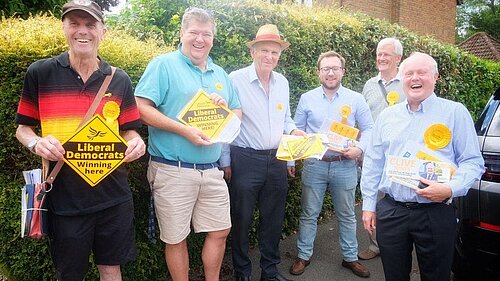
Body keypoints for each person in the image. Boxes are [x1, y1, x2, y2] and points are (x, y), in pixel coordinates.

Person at [15, 1, 146, 280]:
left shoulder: (119, 79)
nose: (82, 31)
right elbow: (23, 128)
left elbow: (131, 129)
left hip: (113, 196)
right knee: (70, 273)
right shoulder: (40, 73)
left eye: (90, 24)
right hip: (64, 197)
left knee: (111, 268)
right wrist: (35, 143)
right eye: (74, 23)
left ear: (103, 31)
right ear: (64, 28)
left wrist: (136, 142)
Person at [134, 7, 242, 281]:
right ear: (182, 34)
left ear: (213, 39)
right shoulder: (163, 64)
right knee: (175, 238)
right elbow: (140, 108)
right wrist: (183, 130)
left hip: (212, 168)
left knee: (220, 230)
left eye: (206, 34)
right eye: (193, 32)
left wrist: (224, 111)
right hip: (172, 168)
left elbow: (237, 113)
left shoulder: (220, 74)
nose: (200, 39)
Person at [360, 52, 485, 281]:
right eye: (409, 73)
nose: (414, 78)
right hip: (392, 210)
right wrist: (369, 204)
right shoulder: (387, 116)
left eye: (422, 72)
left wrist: (449, 189)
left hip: (435, 211)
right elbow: (373, 163)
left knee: (436, 276)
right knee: (394, 276)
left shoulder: (455, 112)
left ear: (435, 77)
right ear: (402, 78)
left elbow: (473, 162)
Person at [219, 24, 306, 281]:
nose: (270, 56)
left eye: (275, 52)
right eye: (264, 50)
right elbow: (227, 121)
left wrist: (293, 146)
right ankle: (242, 272)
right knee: (242, 220)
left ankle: (269, 271)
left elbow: (287, 120)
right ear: (253, 51)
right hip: (245, 159)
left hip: (277, 159)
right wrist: (225, 160)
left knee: (273, 220)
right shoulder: (235, 79)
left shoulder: (283, 82)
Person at [289, 51, 373, 278]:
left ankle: (350, 258)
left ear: (343, 71)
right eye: (325, 68)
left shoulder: (356, 99)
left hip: (344, 165)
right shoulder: (307, 98)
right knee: (308, 213)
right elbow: (296, 130)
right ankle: (303, 255)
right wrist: (291, 157)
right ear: (318, 73)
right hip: (315, 164)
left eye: (335, 68)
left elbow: (370, 129)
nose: (330, 73)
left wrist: (360, 149)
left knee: (346, 214)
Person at [358, 37, 405, 261]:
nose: (381, 58)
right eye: (379, 54)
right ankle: (375, 244)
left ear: (398, 58)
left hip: (400, 153)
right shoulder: (369, 85)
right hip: (374, 153)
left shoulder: (407, 82)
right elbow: (363, 121)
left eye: (387, 54)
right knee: (373, 198)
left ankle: (401, 242)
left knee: (400, 198)